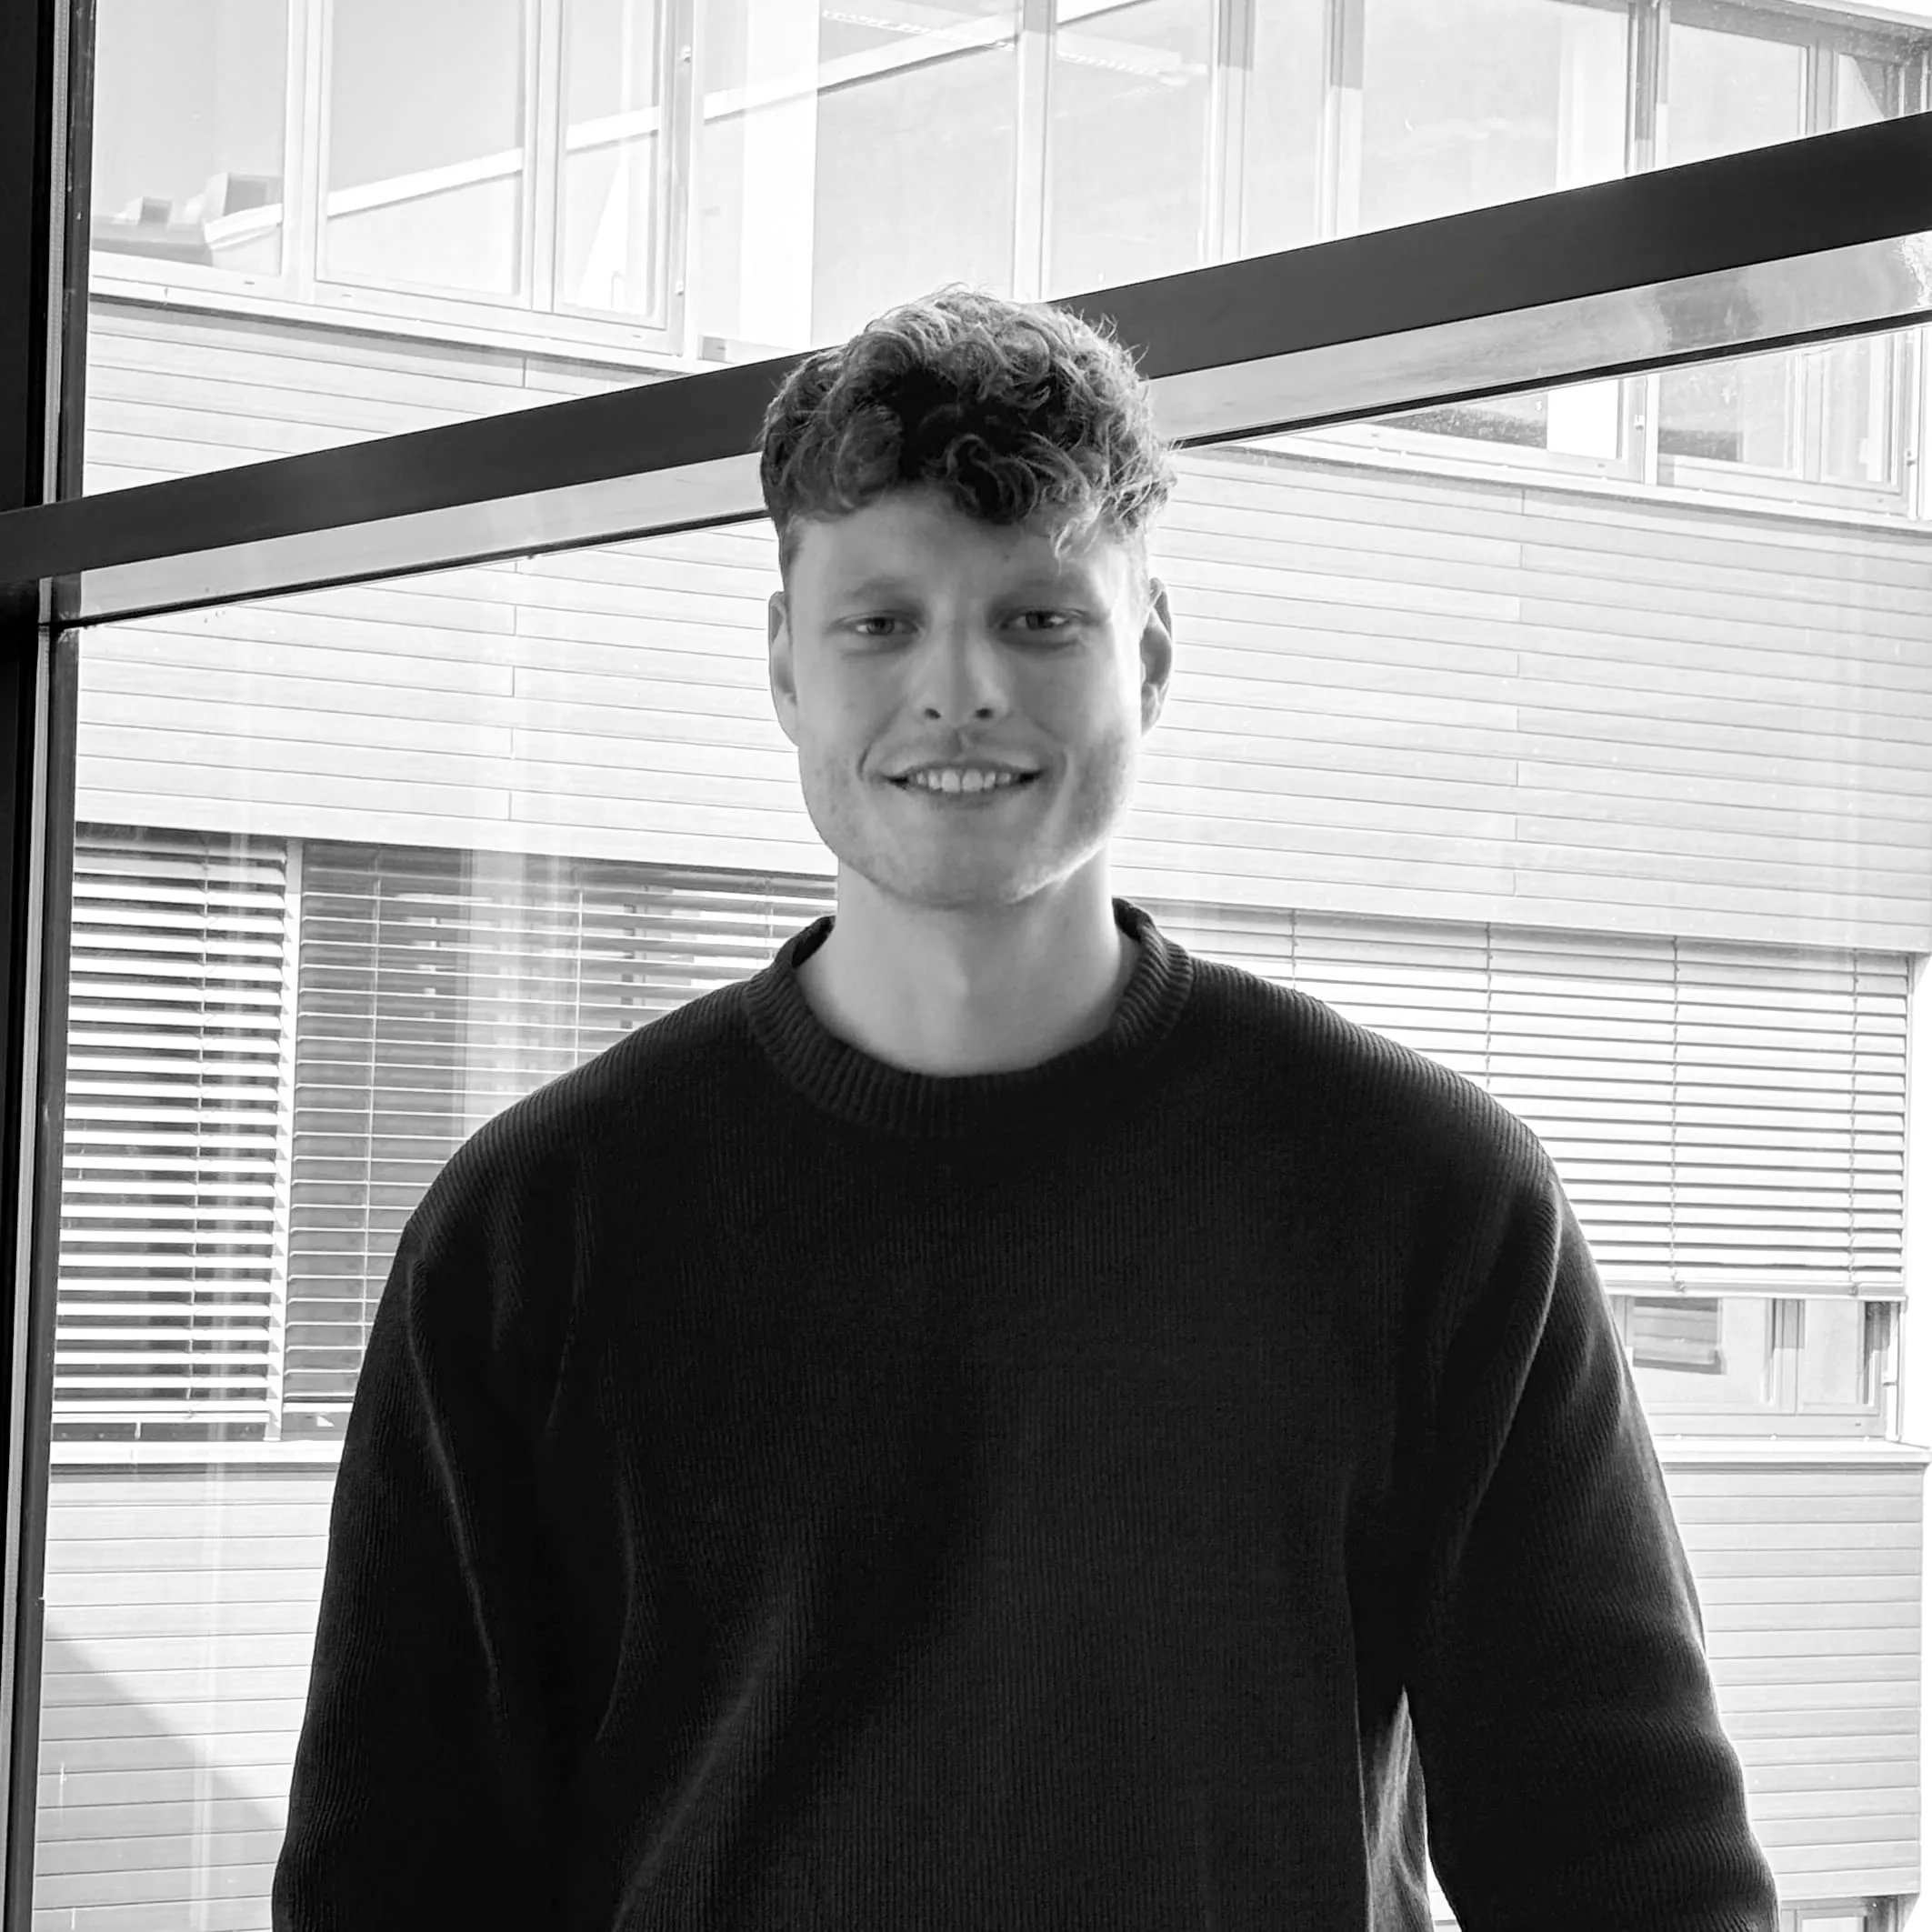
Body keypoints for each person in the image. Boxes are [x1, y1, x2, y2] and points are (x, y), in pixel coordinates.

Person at [272, 284, 1781, 1929]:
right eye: (880, 623)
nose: (961, 688)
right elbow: (392, 1886)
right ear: (783, 666)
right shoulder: (535, 1230)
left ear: (1151, 656)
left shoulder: (1425, 1195)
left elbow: (1634, 1870)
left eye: (1040, 619)